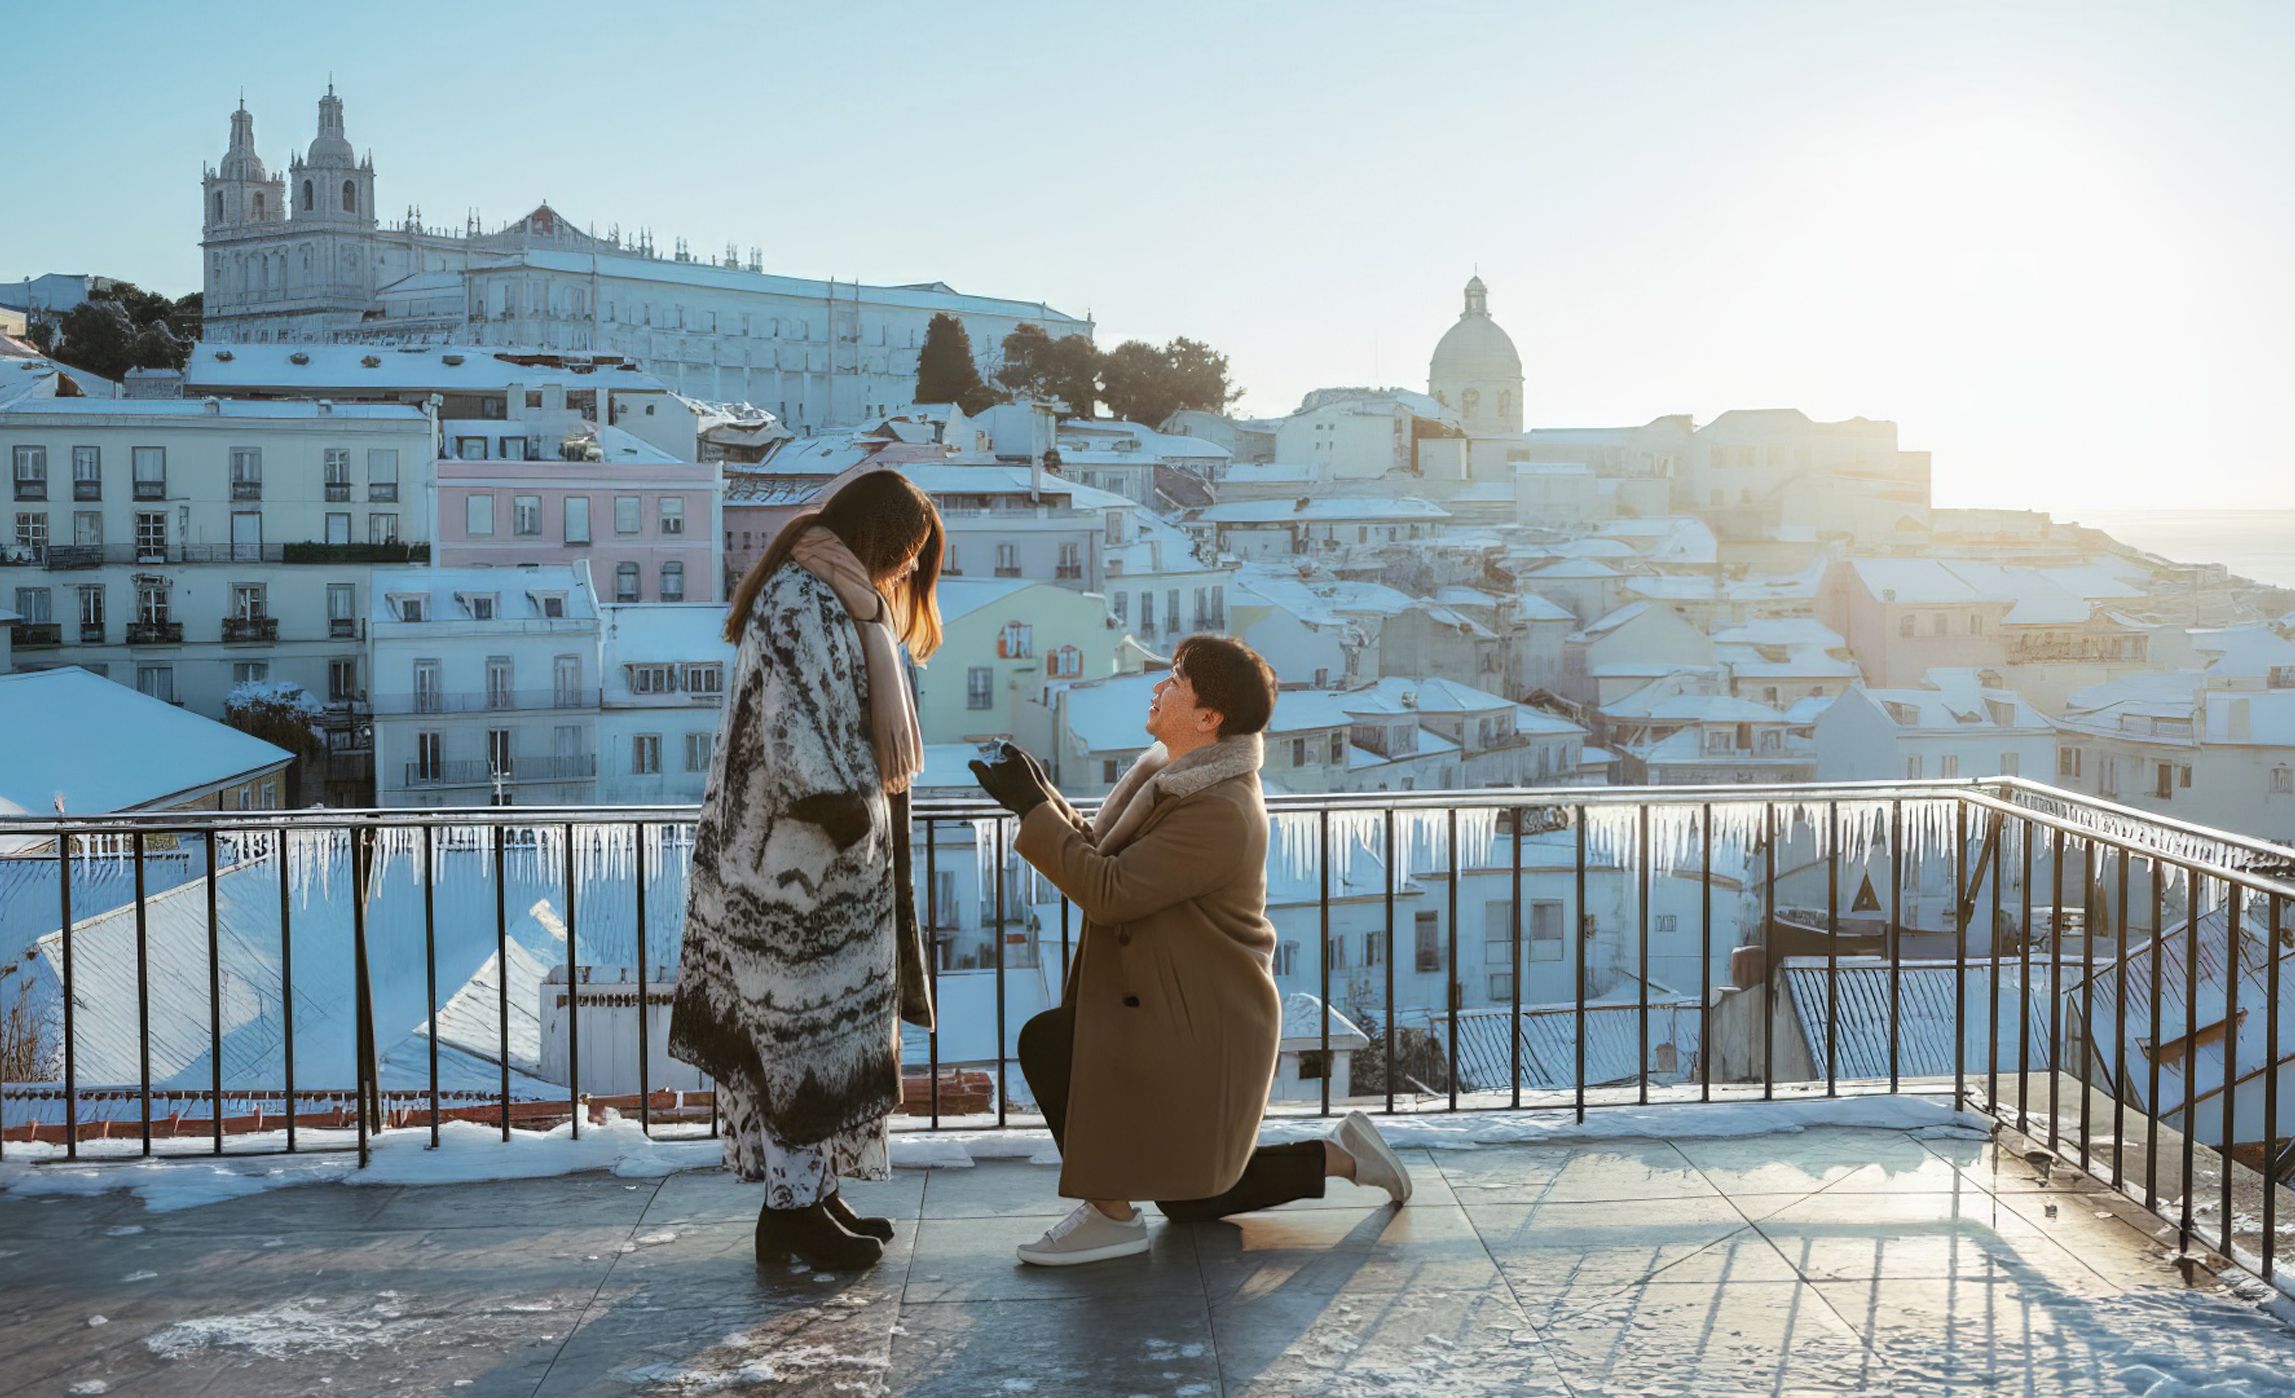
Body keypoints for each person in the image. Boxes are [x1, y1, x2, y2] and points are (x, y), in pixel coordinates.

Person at [971, 634, 1411, 1266]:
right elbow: (1104, 852)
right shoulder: (1174, 779)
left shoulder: (1220, 811)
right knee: (1187, 1199)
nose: (1159, 687)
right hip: (1172, 1008)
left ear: (1209, 719)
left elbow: (1110, 890)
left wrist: (1032, 807)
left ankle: (1110, 1212)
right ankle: (1344, 1156)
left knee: (1052, 1042)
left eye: (1175, 681)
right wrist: (1038, 796)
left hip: (1203, 1024)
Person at [670, 470, 942, 1270]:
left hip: (826, 872)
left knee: (826, 1041)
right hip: (790, 874)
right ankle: (789, 1213)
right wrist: (844, 810)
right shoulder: (801, 596)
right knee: (794, 1044)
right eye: (902, 552)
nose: (902, 570)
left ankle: (814, 1195)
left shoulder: (836, 593)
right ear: (876, 538)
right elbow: (789, 723)